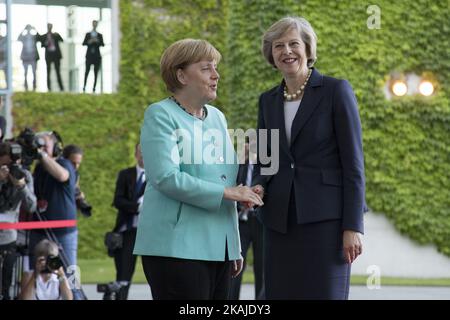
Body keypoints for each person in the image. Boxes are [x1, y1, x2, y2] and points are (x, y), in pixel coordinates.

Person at [133, 39, 264, 300]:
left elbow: (226, 180)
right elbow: (165, 177)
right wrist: (228, 193)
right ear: (181, 75)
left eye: (216, 68)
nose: (216, 75)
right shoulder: (160, 114)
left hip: (219, 249)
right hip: (175, 249)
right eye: (206, 68)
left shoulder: (217, 117)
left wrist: (233, 246)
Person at [253, 16, 366, 300]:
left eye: (294, 43)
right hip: (279, 222)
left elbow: (353, 165)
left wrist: (352, 226)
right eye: (279, 46)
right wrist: (258, 185)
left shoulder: (335, 90)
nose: (286, 51)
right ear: (272, 54)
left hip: (326, 223)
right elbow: (267, 160)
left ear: (307, 48)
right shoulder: (267, 100)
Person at [29, 134, 81, 273]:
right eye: (39, 146)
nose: (41, 149)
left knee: (70, 276)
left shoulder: (65, 163)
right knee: (37, 273)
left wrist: (41, 154)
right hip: (39, 229)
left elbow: (62, 175)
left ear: (55, 148)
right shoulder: (39, 168)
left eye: (46, 146)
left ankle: (75, 296)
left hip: (63, 232)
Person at [0, 142, 36, 300]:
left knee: (7, 285)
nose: (10, 168)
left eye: (14, 163)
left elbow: (32, 206)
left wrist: (22, 187)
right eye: (6, 164)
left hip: (9, 237)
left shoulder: (24, 175)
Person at [229, 141, 264, 300]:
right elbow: (231, 188)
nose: (250, 147)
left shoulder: (264, 167)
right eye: (248, 143)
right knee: (236, 265)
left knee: (261, 267)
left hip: (259, 222)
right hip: (241, 222)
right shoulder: (239, 166)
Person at [109, 143, 145, 300]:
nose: (143, 155)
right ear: (136, 154)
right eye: (140, 152)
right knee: (123, 275)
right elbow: (118, 200)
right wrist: (137, 206)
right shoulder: (125, 174)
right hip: (127, 231)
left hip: (150, 233)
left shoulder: (160, 176)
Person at [39, 23, 64, 91]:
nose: (49, 28)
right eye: (48, 26)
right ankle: (49, 88)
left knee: (58, 72)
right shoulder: (44, 36)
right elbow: (41, 43)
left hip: (56, 56)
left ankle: (61, 88)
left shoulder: (55, 35)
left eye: (50, 26)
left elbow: (62, 40)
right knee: (48, 71)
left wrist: (57, 35)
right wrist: (46, 42)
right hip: (48, 56)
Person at [82, 20, 104, 93]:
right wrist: (90, 41)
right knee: (87, 71)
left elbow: (103, 44)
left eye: (96, 24)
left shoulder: (99, 35)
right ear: (92, 24)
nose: (94, 25)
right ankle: (84, 87)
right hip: (89, 56)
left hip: (96, 56)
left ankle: (94, 88)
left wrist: (97, 41)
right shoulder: (88, 34)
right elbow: (84, 43)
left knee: (96, 72)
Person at [18, 25, 40, 91]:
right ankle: (26, 86)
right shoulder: (24, 37)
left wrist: (35, 29)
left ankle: (34, 86)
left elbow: (39, 38)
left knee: (34, 72)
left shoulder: (34, 37)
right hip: (25, 57)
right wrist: (23, 30)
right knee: (25, 73)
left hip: (33, 57)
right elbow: (18, 38)